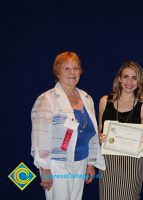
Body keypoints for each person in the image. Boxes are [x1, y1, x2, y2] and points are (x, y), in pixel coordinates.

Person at [31, 51, 106, 200]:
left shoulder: (87, 98)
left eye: (76, 68)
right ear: (57, 73)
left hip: (81, 162)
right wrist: (44, 168)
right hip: (57, 165)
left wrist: (90, 163)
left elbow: (90, 133)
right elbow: (40, 136)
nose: (72, 72)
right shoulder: (47, 99)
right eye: (67, 68)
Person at [98, 61, 143, 200]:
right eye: (126, 76)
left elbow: (142, 142)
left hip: (132, 165)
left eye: (134, 78)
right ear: (119, 79)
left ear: (139, 81)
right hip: (108, 163)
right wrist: (99, 138)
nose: (129, 81)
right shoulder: (105, 101)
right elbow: (98, 132)